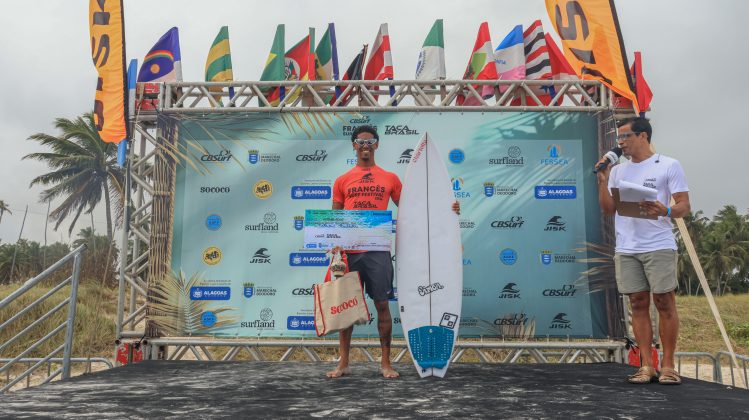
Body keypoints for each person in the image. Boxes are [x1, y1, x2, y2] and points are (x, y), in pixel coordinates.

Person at [327, 125, 459, 379]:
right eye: (360, 141)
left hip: (378, 252)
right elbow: (335, 216)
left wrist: (448, 209)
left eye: (370, 141)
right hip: (350, 253)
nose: (365, 145)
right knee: (346, 309)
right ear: (354, 145)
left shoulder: (390, 178)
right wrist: (333, 241)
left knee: (382, 305)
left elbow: (414, 209)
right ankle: (343, 363)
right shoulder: (342, 179)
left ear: (377, 145)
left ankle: (385, 363)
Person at [596, 117, 690, 385]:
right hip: (627, 247)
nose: (621, 143)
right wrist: (603, 179)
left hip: (658, 245)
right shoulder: (618, 170)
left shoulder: (668, 165)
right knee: (637, 303)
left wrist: (667, 210)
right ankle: (647, 365)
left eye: (625, 137)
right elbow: (608, 209)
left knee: (664, 303)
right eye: (619, 138)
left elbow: (684, 206)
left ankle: (669, 365)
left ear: (643, 136)